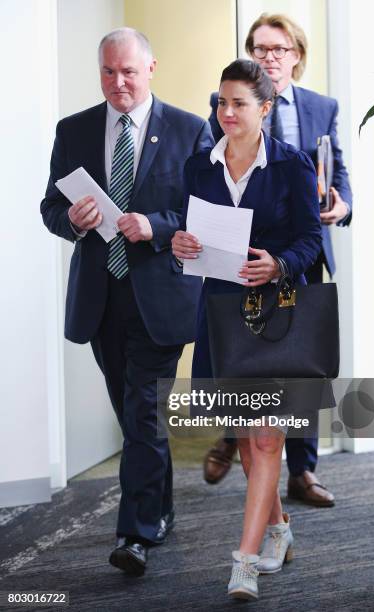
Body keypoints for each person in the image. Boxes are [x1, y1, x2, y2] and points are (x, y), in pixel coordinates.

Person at [41, 27, 213, 576]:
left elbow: (206, 213)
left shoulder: (189, 130)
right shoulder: (75, 130)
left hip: (160, 298)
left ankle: (133, 535)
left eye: (129, 72)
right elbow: (49, 206)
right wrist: (69, 220)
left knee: (142, 412)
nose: (119, 83)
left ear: (151, 69)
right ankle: (158, 508)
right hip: (100, 298)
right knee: (134, 414)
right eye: (108, 72)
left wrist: (157, 226)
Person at [172, 59, 321, 600]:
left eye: (238, 102)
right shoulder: (199, 168)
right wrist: (180, 243)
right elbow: (189, 236)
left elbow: (312, 241)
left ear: (265, 107)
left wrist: (278, 263)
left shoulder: (292, 166)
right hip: (220, 316)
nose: (225, 112)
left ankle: (245, 563)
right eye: (220, 102)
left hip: (276, 317)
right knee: (247, 440)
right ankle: (279, 530)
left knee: (265, 436)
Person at [203, 13, 353, 507]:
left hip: (302, 254)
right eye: (261, 49)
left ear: (297, 56)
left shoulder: (321, 106)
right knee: (245, 347)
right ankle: (236, 435)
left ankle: (302, 470)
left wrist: (341, 204)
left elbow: (338, 171)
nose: (271, 57)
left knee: (301, 360)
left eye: (280, 49)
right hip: (248, 251)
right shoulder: (224, 105)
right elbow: (216, 171)